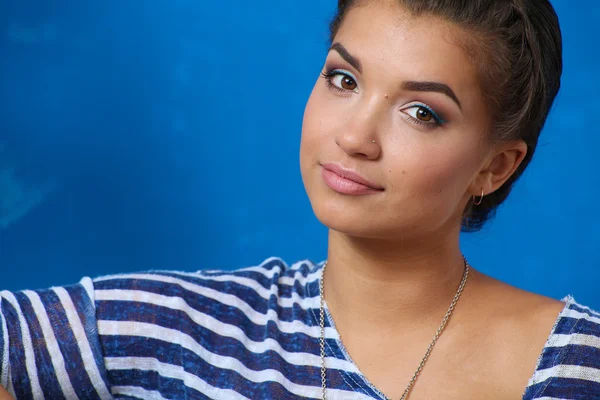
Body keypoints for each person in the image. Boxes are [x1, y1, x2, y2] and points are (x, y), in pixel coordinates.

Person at [2, 0, 599, 399]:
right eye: (344, 79)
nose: (354, 137)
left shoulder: (576, 362)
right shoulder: (189, 332)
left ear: (494, 167)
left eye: (421, 112)